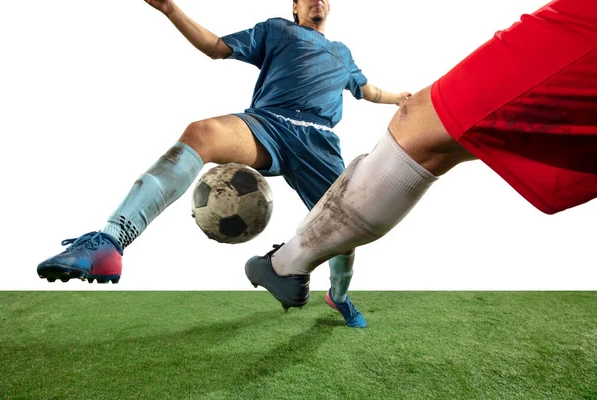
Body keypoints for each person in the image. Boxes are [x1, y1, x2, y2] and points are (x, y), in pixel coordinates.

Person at [36, 0, 410, 328]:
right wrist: (171, 9)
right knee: (202, 133)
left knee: (348, 233)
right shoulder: (276, 30)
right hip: (270, 123)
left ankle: (339, 297)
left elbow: (366, 89)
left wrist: (397, 99)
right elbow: (216, 47)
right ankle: (109, 242)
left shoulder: (341, 53)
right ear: (294, 7)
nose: (319, 1)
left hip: (319, 141)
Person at [245, 0, 597, 309]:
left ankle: (285, 266)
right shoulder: (283, 36)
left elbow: (364, 88)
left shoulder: (339, 53)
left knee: (422, 123)